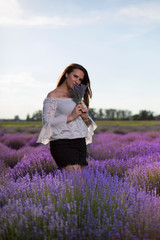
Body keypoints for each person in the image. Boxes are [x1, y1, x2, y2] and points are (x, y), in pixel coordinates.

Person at [37, 63, 97, 172]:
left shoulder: (77, 96)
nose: (77, 81)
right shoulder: (53, 95)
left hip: (80, 143)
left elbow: (87, 125)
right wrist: (71, 116)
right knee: (76, 180)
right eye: (75, 76)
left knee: (79, 186)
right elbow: (47, 123)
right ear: (66, 74)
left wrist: (85, 117)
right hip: (63, 143)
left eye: (80, 79)